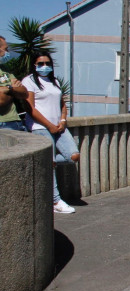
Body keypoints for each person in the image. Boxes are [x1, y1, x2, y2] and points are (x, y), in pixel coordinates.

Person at [21, 52, 80, 214]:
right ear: (34, 64)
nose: (44, 66)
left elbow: (62, 104)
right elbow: (30, 108)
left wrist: (62, 120)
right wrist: (48, 125)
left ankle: (43, 161)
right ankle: (55, 202)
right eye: (40, 63)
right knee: (51, 163)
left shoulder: (54, 81)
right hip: (39, 127)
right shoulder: (29, 81)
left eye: (47, 63)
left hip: (58, 126)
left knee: (73, 156)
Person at [0, 36, 28, 131]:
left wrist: (8, 88)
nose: (8, 52)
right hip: (2, 124)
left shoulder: (5, 70)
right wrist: (13, 89)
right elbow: (1, 100)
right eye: (6, 49)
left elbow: (24, 93)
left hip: (15, 122)